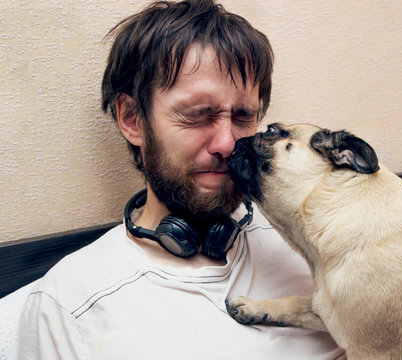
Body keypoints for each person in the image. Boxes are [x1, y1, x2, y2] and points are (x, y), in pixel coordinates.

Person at [9, 1, 345, 359]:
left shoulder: (313, 240)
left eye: (243, 115)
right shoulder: (70, 305)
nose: (228, 144)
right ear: (133, 119)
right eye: (198, 115)